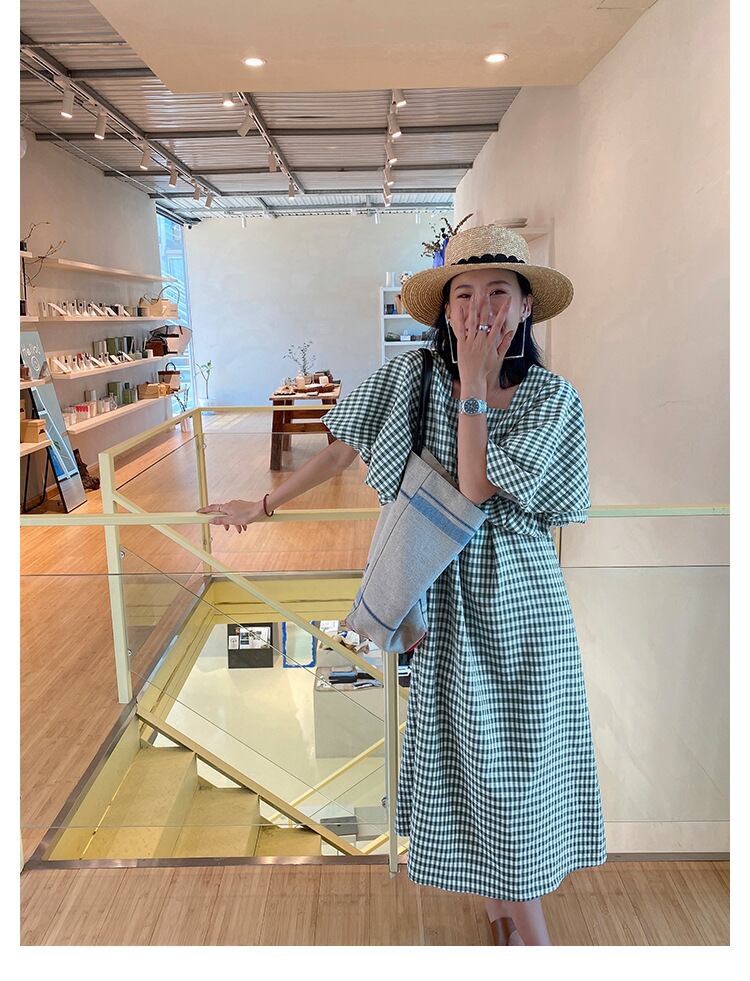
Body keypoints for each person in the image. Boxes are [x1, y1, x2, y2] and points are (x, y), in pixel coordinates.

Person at [198, 223, 607, 946]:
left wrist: (474, 385)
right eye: (464, 294)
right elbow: (340, 451)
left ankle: (527, 932)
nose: (480, 308)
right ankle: (506, 916)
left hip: (524, 610)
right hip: (440, 598)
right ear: (445, 309)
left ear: (525, 308)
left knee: (523, 768)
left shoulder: (552, 397)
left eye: (499, 292)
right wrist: (261, 504)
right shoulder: (412, 377)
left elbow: (476, 485)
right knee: (469, 760)